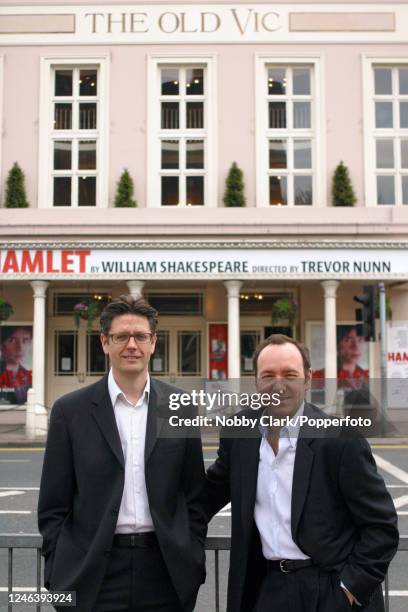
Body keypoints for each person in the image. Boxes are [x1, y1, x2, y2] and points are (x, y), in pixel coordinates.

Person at [204, 334, 398, 612]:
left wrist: (349, 589)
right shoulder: (239, 433)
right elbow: (207, 495)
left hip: (329, 590)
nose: (278, 384)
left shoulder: (341, 440)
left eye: (290, 374)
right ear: (256, 381)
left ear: (308, 379)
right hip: (266, 587)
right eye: (268, 374)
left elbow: (381, 525)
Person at [38, 295, 206, 612]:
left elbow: (193, 492)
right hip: (93, 575)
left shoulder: (180, 406)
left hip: (165, 571)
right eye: (121, 337)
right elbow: (52, 504)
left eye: (141, 336)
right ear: (105, 342)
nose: (132, 345)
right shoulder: (69, 411)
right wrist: (57, 567)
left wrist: (192, 551)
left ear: (153, 342)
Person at [0, 326, 32, 404]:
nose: (20, 348)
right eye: (12, 340)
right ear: (1, 345)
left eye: (25, 340)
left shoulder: (28, 377)